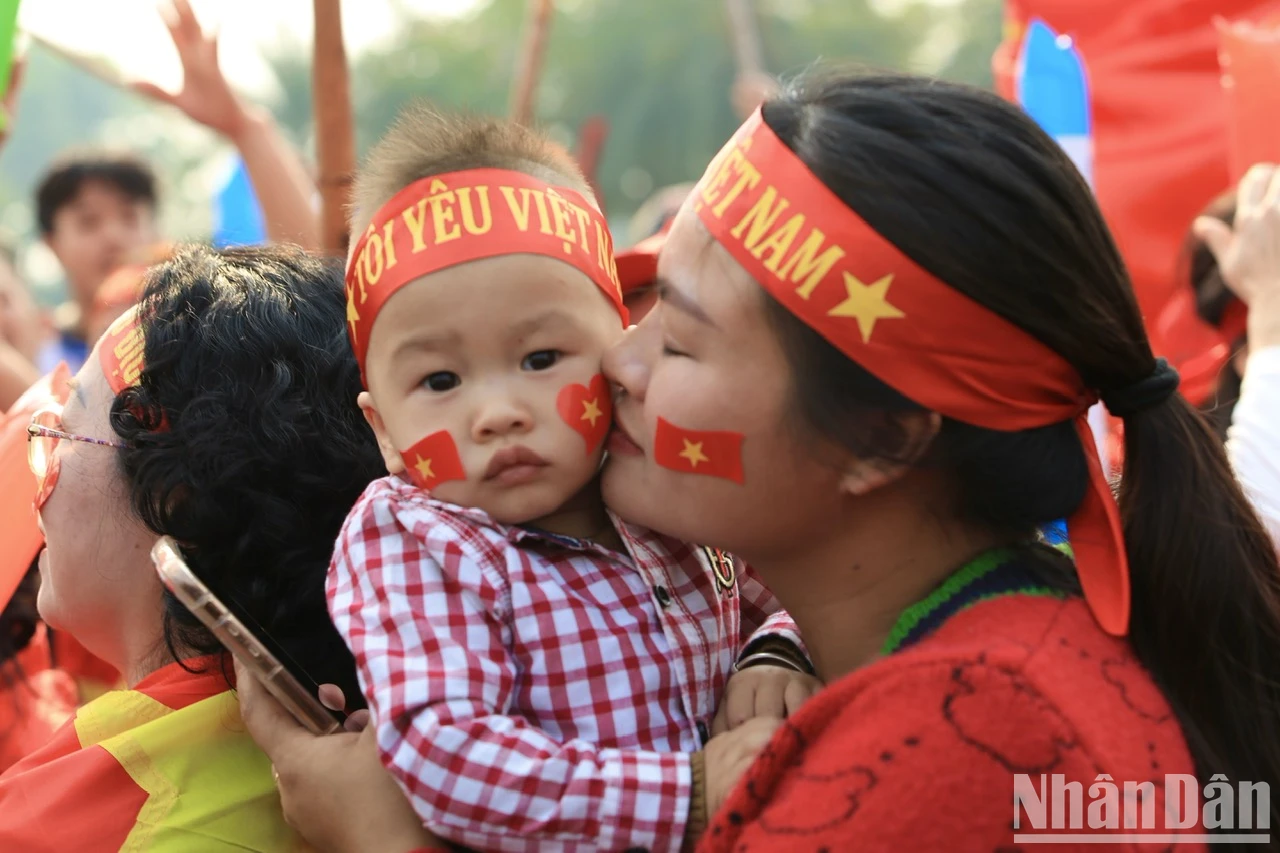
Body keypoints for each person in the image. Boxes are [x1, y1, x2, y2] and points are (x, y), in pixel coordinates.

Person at [245, 69, 1280, 851]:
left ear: (880, 436)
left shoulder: (956, 749)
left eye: (678, 337)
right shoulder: (980, 659)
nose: (621, 361)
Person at [328, 103, 816, 852]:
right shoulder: (414, 535)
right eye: (440, 379)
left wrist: (777, 649)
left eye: (540, 358)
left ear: (619, 351)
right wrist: (685, 792)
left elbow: (809, 579)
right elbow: (445, 749)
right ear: (384, 429)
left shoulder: (660, 478)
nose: (496, 413)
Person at [0, 244, 386, 851]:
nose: (37, 470)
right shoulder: (408, 754)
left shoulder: (84, 825)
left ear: (175, 496)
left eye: (63, 434)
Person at [31, 0, 319, 376]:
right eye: (88, 222)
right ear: (52, 243)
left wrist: (244, 127)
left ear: (156, 229)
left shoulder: (214, 327)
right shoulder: (45, 362)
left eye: (130, 216)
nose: (114, 235)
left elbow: (309, 269)